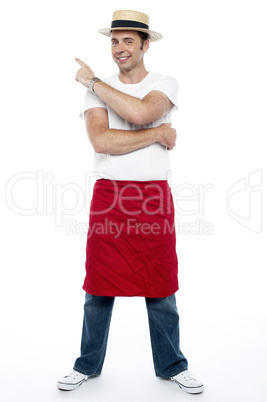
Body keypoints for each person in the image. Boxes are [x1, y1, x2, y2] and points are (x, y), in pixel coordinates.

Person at [57, 10, 204, 395]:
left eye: (127, 41)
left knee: (161, 286)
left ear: (144, 45)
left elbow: (140, 111)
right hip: (109, 196)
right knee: (98, 288)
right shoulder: (98, 89)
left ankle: (172, 364)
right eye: (114, 40)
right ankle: (86, 364)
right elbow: (102, 142)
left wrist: (91, 81)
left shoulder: (164, 82)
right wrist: (158, 133)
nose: (119, 48)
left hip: (153, 197)